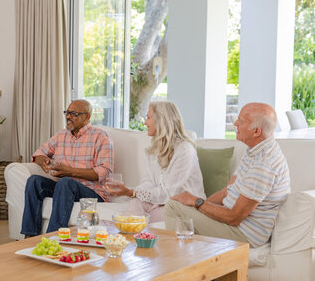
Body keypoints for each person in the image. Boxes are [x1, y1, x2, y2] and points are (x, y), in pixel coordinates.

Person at [164, 102, 290, 248]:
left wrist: (197, 202)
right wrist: (197, 208)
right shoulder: (254, 151)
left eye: (241, 121)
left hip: (243, 234)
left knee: (173, 207)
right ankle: (189, 257)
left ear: (256, 132)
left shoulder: (264, 165)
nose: (235, 123)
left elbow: (234, 217)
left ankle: (180, 261)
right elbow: (227, 191)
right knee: (181, 206)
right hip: (232, 223)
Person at [20, 99, 114, 236]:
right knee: (34, 181)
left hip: (92, 192)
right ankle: (29, 236)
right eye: (67, 112)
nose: (68, 116)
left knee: (66, 182)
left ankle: (53, 237)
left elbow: (103, 172)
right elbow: (39, 152)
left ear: (87, 116)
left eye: (74, 113)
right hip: (64, 189)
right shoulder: (61, 135)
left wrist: (69, 171)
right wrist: (43, 160)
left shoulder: (100, 136)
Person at [105, 101, 205, 223]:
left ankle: (138, 238)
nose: (145, 122)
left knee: (150, 215)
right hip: (161, 202)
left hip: (182, 205)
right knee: (135, 203)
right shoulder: (153, 149)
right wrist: (128, 191)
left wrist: (132, 192)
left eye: (148, 117)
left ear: (161, 120)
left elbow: (169, 192)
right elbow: (148, 183)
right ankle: (133, 239)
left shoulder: (184, 150)